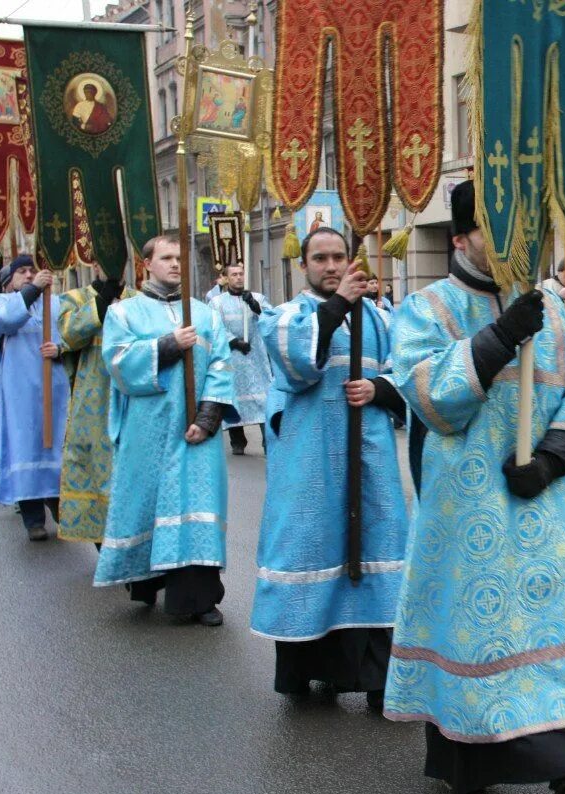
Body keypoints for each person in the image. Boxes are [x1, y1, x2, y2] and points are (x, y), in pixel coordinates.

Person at [384, 181, 565, 794]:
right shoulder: (425, 310)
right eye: (495, 232)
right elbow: (432, 400)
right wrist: (497, 338)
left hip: (541, 506)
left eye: (520, 231)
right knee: (471, 638)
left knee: (550, 636)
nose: (512, 245)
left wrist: (551, 457)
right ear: (461, 237)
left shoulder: (550, 308)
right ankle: (466, 758)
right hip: (463, 516)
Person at [251, 227, 409, 705]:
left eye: (339, 256)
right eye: (320, 258)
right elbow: (297, 364)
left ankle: (377, 681)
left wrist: (380, 389)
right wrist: (339, 304)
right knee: (309, 550)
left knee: (376, 551)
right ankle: (307, 671)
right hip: (310, 464)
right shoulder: (287, 316)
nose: (331, 265)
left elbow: (407, 370)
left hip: (371, 460)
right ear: (303, 265)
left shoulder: (379, 318)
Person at [94, 235, 235, 627]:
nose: (175, 264)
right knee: (149, 503)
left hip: (196, 432)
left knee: (197, 507)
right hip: (149, 430)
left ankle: (200, 598)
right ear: (147, 265)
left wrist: (208, 418)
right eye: (167, 257)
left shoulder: (205, 314)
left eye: (179, 258)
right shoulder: (124, 313)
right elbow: (118, 365)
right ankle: (147, 578)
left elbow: (222, 365)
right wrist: (168, 345)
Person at [0, 256, 70, 541]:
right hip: (19, 396)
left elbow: (73, 335)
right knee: (25, 451)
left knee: (57, 449)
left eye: (33, 270)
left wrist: (60, 349)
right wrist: (33, 290)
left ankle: (61, 510)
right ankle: (33, 519)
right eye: (22, 271)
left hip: (54, 390)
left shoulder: (56, 303)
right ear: (9, 280)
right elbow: (5, 321)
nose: (29, 275)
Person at [56, 267, 135, 545]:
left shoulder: (138, 299)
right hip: (94, 397)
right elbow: (69, 334)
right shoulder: (75, 298)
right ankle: (104, 543)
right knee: (97, 469)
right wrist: (102, 302)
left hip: (133, 394)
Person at [208, 262, 273, 456]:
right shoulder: (217, 303)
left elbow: (272, 319)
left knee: (263, 398)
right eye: (234, 274)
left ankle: (268, 441)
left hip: (255, 356)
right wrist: (234, 341)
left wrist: (255, 306)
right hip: (232, 356)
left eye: (241, 274)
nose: (238, 277)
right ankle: (238, 440)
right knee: (235, 397)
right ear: (226, 278)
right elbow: (214, 327)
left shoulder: (258, 298)